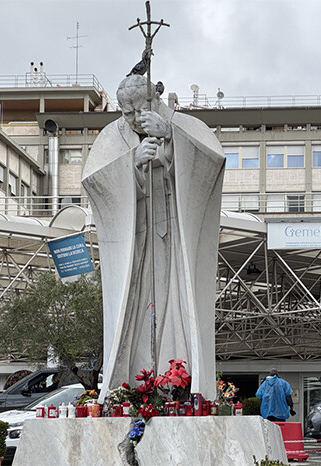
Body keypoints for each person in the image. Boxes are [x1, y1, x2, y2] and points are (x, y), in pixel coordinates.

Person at [82, 74, 225, 401]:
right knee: (137, 303)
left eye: (139, 111)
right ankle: (133, 385)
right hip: (136, 238)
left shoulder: (185, 125)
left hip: (176, 236)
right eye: (126, 113)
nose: (132, 119)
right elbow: (94, 181)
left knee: (176, 300)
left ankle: (180, 381)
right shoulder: (113, 135)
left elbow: (213, 161)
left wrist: (172, 138)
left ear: (154, 102)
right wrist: (130, 164)